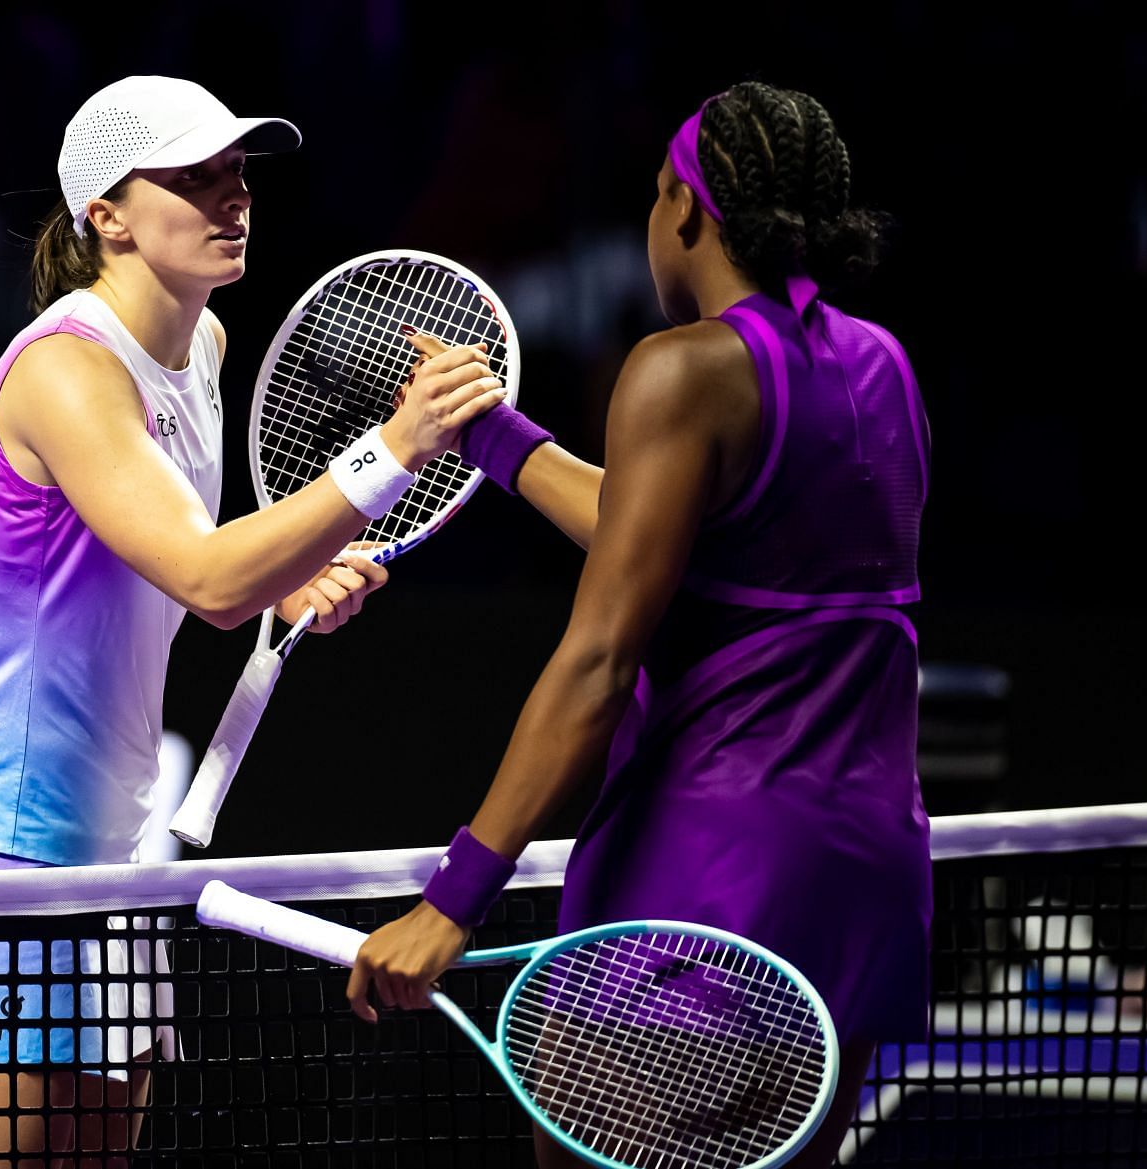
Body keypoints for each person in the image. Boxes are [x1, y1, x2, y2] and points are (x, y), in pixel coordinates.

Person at [0, 75, 506, 1167]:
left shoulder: (206, 348)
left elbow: (176, 551)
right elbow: (204, 574)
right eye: (194, 177)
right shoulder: (66, 371)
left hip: (121, 841)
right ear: (107, 213)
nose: (232, 196)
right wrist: (392, 449)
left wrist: (289, 575)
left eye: (237, 170)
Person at [348, 81, 932, 1169]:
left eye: (656, 197)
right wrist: (496, 435)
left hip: (700, 895)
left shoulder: (682, 368)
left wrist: (456, 894)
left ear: (688, 211)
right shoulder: (881, 365)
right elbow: (676, 538)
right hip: (857, 894)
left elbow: (599, 657)